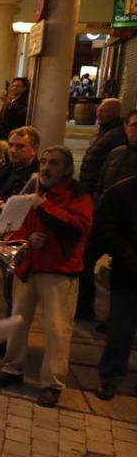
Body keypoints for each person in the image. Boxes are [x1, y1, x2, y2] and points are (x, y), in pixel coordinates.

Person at [0, 147, 93, 407]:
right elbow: (13, 226)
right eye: (44, 162)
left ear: (67, 169)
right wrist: (27, 239)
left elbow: (79, 227)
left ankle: (52, 383)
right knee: (18, 320)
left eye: (54, 163)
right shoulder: (33, 190)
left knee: (57, 329)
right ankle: (12, 367)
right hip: (30, 266)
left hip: (58, 270)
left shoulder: (76, 195)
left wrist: (45, 207)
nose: (46, 167)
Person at [75, 99, 126, 321]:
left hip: (111, 213)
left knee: (88, 256)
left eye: (103, 110)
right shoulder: (111, 138)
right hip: (99, 205)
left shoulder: (115, 138)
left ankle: (89, 308)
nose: (98, 112)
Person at [93, 174, 137, 400]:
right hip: (129, 270)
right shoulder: (123, 191)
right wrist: (127, 254)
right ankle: (110, 377)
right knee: (121, 327)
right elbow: (106, 227)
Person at [0, 126, 40, 201]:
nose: (12, 150)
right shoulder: (4, 169)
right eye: (10, 145)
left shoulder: (37, 178)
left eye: (20, 146)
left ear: (34, 149)